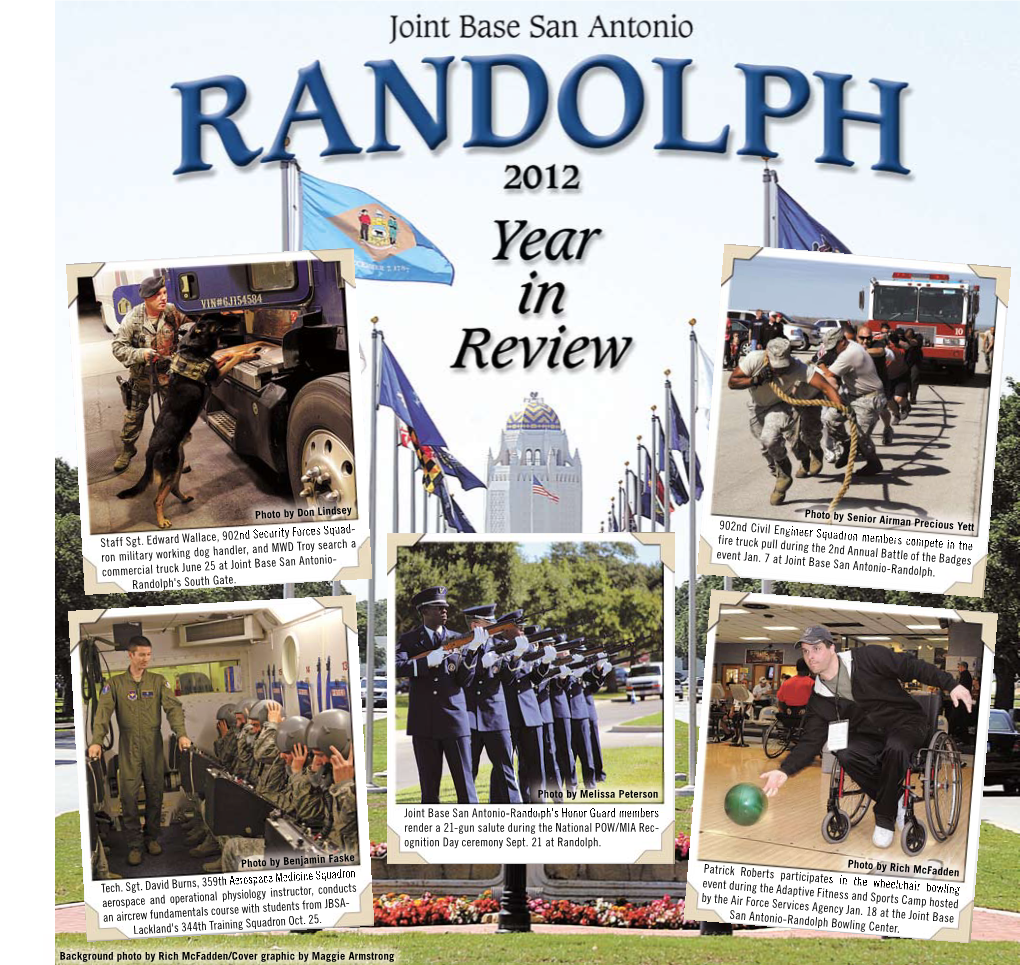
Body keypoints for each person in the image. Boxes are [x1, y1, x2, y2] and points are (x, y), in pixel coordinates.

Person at [760, 627, 973, 849]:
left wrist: (951, 684)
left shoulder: (869, 658)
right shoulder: (819, 698)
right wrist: (784, 770)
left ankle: (884, 817)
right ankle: (895, 797)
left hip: (907, 722)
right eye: (806, 651)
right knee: (845, 752)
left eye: (816, 648)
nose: (811, 656)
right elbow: (810, 740)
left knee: (897, 747)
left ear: (832, 648)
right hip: (870, 736)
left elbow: (912, 666)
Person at [88, 636, 191, 866]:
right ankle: (134, 845)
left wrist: (181, 733)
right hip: (128, 748)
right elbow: (102, 714)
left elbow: (173, 709)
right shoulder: (115, 685)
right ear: (130, 655)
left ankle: (152, 838)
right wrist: (96, 741)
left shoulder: (157, 682)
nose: (146, 659)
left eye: (149, 654)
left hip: (153, 746)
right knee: (128, 798)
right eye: (142, 655)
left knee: (156, 793)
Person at [728, 337, 844, 506]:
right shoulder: (754, 359)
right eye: (776, 367)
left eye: (783, 367)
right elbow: (732, 382)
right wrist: (754, 380)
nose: (780, 372)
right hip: (757, 406)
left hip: (780, 404)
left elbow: (826, 386)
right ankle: (780, 470)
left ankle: (785, 472)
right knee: (766, 446)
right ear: (767, 356)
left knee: (771, 438)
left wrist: (840, 407)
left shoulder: (798, 368)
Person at [395, 586, 479, 804]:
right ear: (424, 611)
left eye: (445, 608)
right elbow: (396, 667)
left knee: (466, 787)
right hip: (424, 723)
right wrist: (424, 663)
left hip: (454, 720)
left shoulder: (458, 639)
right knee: (429, 790)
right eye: (438, 608)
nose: (444, 611)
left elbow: (464, 680)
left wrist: (472, 653)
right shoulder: (409, 640)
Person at [111, 275, 187, 472]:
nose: (163, 298)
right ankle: (128, 449)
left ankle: (174, 453)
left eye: (164, 293)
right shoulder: (133, 319)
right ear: (146, 298)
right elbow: (118, 348)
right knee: (132, 418)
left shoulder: (171, 311)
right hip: (141, 378)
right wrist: (140, 353)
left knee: (172, 419)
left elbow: (196, 315)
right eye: (157, 295)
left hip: (167, 377)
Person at [462, 604, 522, 804]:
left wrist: (515, 658)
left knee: (506, 770)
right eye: (488, 625)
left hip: (495, 717)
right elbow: (462, 679)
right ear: (474, 626)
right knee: (468, 773)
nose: (494, 629)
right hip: (469, 718)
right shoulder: (461, 646)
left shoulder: (499, 645)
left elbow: (508, 680)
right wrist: (479, 662)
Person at [814, 327, 886, 477]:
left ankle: (874, 463)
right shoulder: (849, 346)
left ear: (842, 342)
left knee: (860, 438)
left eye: (833, 348)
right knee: (829, 420)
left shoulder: (849, 354)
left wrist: (820, 365)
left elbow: (829, 376)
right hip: (852, 395)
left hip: (869, 398)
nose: (832, 352)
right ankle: (846, 445)